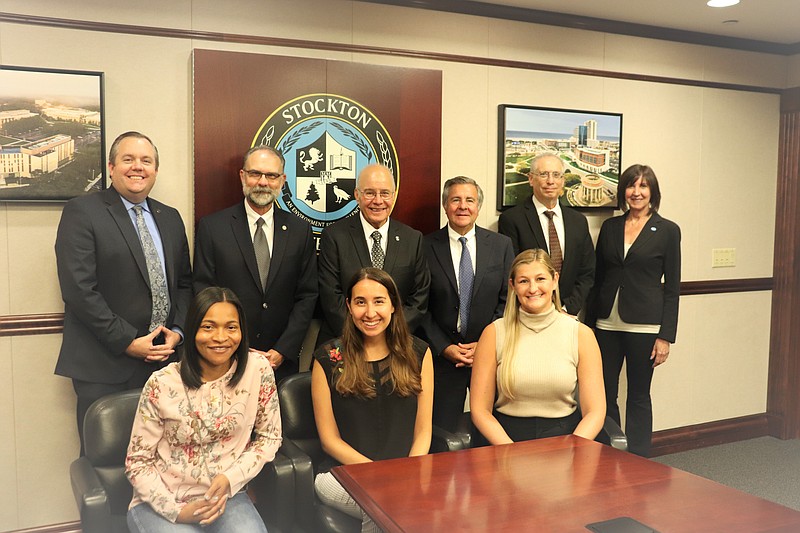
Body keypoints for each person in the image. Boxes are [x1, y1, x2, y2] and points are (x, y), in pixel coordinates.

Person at [55, 131, 193, 455]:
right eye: (128, 159)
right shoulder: (82, 212)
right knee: (108, 465)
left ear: (156, 170)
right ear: (111, 167)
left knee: (164, 457)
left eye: (146, 161)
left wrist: (178, 331)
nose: (137, 167)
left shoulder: (170, 217)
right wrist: (128, 342)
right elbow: (78, 290)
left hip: (163, 364)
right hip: (106, 366)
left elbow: (185, 284)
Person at [125, 287, 281, 532]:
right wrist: (176, 511)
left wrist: (231, 479)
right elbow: (137, 462)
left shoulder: (258, 370)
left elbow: (269, 438)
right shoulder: (162, 383)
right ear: (192, 329)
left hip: (227, 496)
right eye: (208, 327)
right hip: (162, 500)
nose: (220, 337)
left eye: (231, 327)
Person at [312, 268, 433, 532]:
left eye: (379, 301)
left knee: (390, 503)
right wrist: (380, 475)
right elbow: (329, 441)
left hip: (405, 473)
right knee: (381, 503)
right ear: (348, 306)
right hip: (340, 475)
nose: (369, 313)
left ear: (393, 305)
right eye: (360, 302)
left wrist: (408, 473)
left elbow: (423, 431)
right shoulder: (327, 357)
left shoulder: (419, 353)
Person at [193, 145, 317, 382]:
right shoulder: (213, 228)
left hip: (281, 362)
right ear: (243, 176)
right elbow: (204, 293)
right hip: (226, 357)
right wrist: (233, 346)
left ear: (282, 180)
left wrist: (283, 350)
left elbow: (307, 295)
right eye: (255, 174)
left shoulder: (300, 231)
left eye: (271, 176)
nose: (263, 182)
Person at [586, 164, 681, 457]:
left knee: (639, 395)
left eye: (643, 186)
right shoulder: (610, 227)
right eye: (631, 186)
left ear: (652, 192)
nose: (636, 192)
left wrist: (666, 336)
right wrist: (588, 326)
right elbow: (598, 277)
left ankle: (639, 456)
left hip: (645, 326)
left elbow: (673, 287)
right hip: (606, 324)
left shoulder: (667, 230)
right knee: (604, 393)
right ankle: (608, 450)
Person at [470, 249, 605, 444]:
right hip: (505, 441)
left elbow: (595, 412)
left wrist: (573, 448)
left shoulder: (581, 335)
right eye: (524, 281)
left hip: (566, 441)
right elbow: (480, 411)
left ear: (555, 280)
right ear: (513, 286)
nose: (533, 288)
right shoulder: (493, 333)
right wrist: (509, 450)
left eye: (540, 279)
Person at [418, 176, 514, 432]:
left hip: (488, 355)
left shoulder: (501, 245)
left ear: (478, 206)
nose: (463, 206)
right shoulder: (424, 246)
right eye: (455, 200)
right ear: (445, 205)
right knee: (442, 432)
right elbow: (420, 306)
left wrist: (484, 344)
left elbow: (508, 299)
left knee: (493, 429)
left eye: (469, 200)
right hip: (443, 359)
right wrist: (444, 347)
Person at [317, 163, 430, 345]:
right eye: (370, 193)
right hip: (345, 342)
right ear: (357, 195)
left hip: (396, 345)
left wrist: (386, 338)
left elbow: (419, 299)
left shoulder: (413, 239)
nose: (378, 201)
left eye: (385, 193)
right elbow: (331, 298)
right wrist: (364, 336)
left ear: (393, 196)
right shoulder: (334, 236)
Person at [498, 153, 595, 316]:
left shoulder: (578, 221)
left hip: (568, 317)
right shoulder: (512, 220)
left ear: (563, 180)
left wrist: (566, 309)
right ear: (531, 179)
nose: (551, 181)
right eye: (544, 174)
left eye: (556, 175)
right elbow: (511, 272)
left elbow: (587, 272)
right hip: (528, 315)